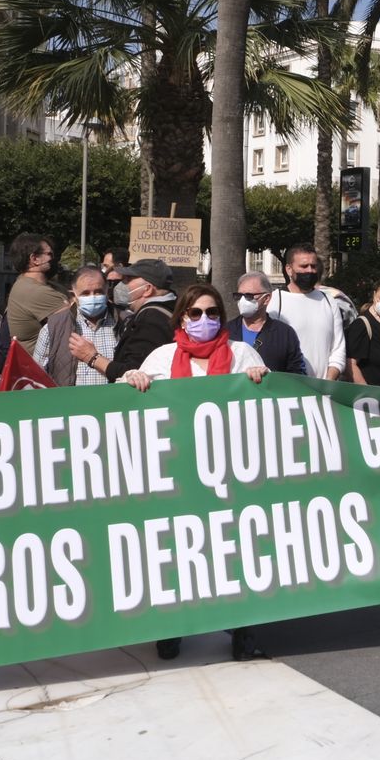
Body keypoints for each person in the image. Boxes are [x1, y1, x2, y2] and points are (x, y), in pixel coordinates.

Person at [118, 283, 269, 662]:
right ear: (182, 316)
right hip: (178, 471)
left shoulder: (241, 353)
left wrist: (261, 381)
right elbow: (126, 399)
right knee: (178, 549)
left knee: (234, 549)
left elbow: (267, 405)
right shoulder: (163, 357)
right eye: (196, 313)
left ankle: (243, 627)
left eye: (213, 313)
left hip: (230, 470)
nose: (205, 319)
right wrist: (133, 380)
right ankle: (172, 628)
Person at [267, 245, 346, 380]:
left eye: (313, 266)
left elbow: (338, 348)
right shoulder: (275, 301)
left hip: (324, 391)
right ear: (289, 269)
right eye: (304, 266)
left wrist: (328, 381)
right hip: (289, 389)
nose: (310, 270)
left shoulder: (328, 301)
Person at [35, 266, 119, 386]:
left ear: (107, 291)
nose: (93, 297)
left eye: (98, 292)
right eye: (85, 293)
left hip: (115, 402)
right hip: (69, 403)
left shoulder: (123, 323)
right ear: (74, 293)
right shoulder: (54, 327)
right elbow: (37, 376)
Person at [95, 260, 177, 382]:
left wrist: (93, 358)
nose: (122, 284)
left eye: (128, 279)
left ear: (148, 289)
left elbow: (134, 373)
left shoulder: (151, 319)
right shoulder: (171, 309)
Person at [228, 272, 306, 375]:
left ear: (266, 298)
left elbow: (297, 374)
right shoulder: (226, 331)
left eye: (249, 296)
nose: (242, 301)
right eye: (239, 296)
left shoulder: (285, 333)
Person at [4, 233, 68, 350]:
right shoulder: (33, 290)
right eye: (49, 254)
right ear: (35, 259)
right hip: (39, 367)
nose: (53, 259)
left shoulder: (47, 286)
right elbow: (76, 322)